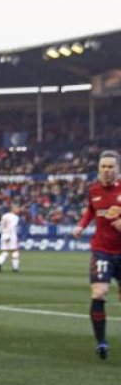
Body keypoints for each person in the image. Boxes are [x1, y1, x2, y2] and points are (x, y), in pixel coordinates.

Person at [71, 150, 121, 360]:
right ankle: (101, 342)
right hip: (101, 250)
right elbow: (91, 210)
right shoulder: (93, 191)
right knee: (99, 293)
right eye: (103, 167)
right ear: (98, 169)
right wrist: (81, 225)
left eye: (111, 166)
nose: (107, 170)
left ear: (117, 169)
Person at [0, 203, 22, 273]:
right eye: (17, 208)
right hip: (11, 236)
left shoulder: (4, 216)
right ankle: (15, 268)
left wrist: (4, 234)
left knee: (5, 252)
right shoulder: (15, 217)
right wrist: (9, 236)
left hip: (3, 235)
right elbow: (11, 227)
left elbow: (1, 226)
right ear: (13, 209)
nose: (18, 210)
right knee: (15, 251)